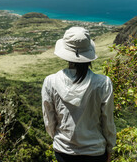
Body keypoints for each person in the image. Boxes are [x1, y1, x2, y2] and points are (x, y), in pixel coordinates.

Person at [42, 27, 116, 162]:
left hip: (63, 151)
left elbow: (49, 120)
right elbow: (107, 121)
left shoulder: (50, 82)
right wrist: (110, 148)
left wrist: (59, 138)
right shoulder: (103, 83)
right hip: (95, 151)